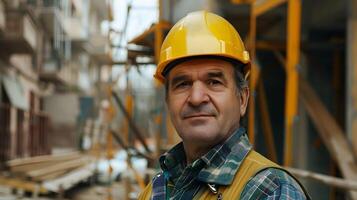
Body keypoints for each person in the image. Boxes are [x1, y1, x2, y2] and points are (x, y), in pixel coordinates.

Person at [139, 11, 309, 200]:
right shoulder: (156, 190)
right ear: (168, 102)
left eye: (214, 82)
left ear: (242, 99)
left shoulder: (270, 191)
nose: (196, 98)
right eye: (183, 84)